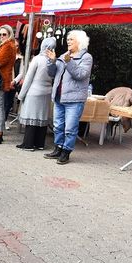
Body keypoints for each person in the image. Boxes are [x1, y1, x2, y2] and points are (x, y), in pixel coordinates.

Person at [44, 30, 93, 165]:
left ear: (80, 42)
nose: (68, 41)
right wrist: (52, 62)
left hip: (74, 99)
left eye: (71, 39)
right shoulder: (64, 55)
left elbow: (80, 74)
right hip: (60, 96)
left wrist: (69, 62)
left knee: (70, 128)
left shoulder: (86, 57)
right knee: (58, 125)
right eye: (68, 39)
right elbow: (52, 73)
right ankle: (58, 148)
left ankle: (66, 151)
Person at [15, 37, 56, 151]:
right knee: (42, 118)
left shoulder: (37, 59)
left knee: (31, 118)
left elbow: (28, 78)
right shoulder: (53, 61)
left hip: (34, 92)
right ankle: (39, 143)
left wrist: (21, 95)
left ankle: (28, 144)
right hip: (47, 92)